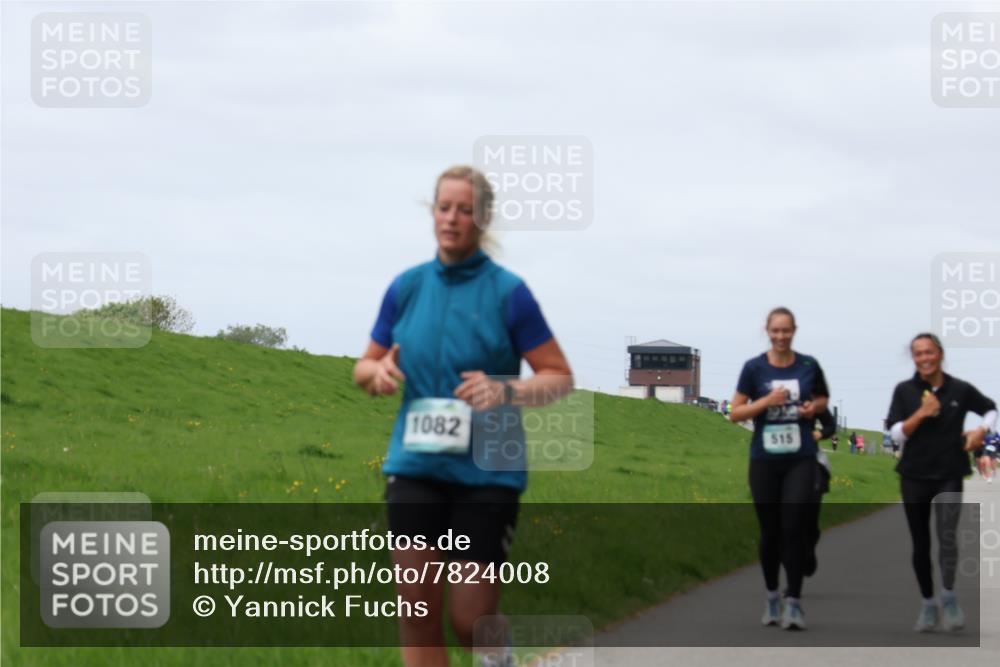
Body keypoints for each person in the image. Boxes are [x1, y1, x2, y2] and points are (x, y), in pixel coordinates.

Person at [353, 165, 574, 667]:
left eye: (465, 210)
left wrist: (505, 389)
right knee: (416, 610)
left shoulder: (508, 293)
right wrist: (378, 372)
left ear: (484, 220)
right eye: (444, 207)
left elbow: (558, 376)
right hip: (415, 466)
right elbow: (364, 365)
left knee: (469, 618)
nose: (451, 219)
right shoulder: (406, 287)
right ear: (432, 212)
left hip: (488, 470)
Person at [886, 332, 997, 633]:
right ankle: (927, 604)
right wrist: (921, 413)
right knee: (920, 543)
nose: (924, 358)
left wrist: (981, 431)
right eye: (918, 354)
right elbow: (895, 434)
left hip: (948, 473)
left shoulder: (959, 388)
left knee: (947, 537)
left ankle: (948, 596)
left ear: (940, 354)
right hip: (914, 475)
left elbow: (990, 407)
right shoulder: (904, 391)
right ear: (914, 358)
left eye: (929, 352)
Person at [729, 307, 830, 631]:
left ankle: (795, 603)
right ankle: (772, 595)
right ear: (767, 331)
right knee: (771, 532)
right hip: (765, 460)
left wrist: (813, 407)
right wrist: (766, 402)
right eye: (776, 331)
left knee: (794, 527)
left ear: (794, 331)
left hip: (801, 457)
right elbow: (736, 412)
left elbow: (823, 400)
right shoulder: (753, 368)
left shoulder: (808, 365)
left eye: (786, 331)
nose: (781, 336)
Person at [804, 408, 836, 577]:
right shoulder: (772, 394)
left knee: (810, 520)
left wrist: (819, 434)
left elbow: (831, 425)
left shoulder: (811, 396)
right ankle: (793, 582)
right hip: (781, 463)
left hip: (812, 462)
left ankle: (809, 547)